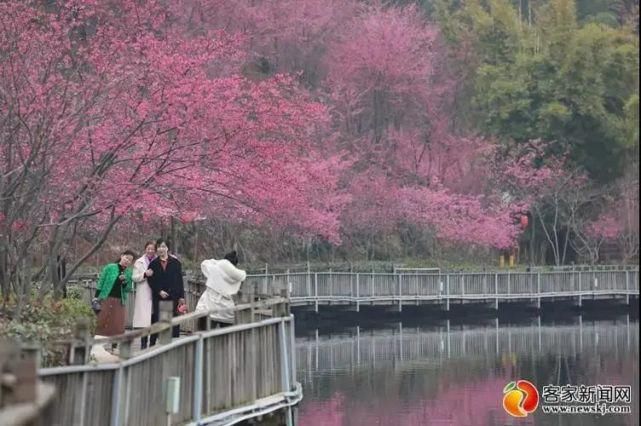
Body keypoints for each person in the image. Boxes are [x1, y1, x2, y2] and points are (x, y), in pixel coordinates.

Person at [90, 250, 136, 361]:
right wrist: (96, 297)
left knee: (117, 324)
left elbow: (128, 288)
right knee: (102, 321)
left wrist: (124, 282)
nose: (127, 261)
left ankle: (114, 348)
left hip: (119, 300)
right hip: (105, 298)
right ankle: (96, 346)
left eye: (130, 260)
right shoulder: (110, 267)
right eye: (126, 258)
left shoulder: (129, 272)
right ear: (121, 256)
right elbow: (101, 282)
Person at [147, 239, 185, 346]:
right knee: (159, 321)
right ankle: (154, 345)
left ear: (167, 248)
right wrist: (159, 291)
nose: (161, 249)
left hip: (173, 296)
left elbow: (179, 280)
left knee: (172, 322)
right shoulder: (153, 264)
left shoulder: (176, 263)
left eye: (163, 246)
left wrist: (181, 296)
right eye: (158, 247)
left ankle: (172, 346)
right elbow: (151, 281)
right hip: (159, 297)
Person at [195, 251, 246, 328]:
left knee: (206, 335)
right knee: (226, 337)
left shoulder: (214, 269)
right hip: (226, 311)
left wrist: (219, 262)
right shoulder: (236, 276)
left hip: (211, 307)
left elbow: (204, 263)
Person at [132, 241, 156, 349]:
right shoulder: (139, 262)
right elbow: (134, 277)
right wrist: (145, 274)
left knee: (154, 319)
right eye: (148, 248)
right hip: (144, 293)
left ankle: (152, 343)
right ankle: (143, 344)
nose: (150, 251)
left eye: (152, 249)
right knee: (144, 322)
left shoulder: (157, 261)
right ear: (145, 249)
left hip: (155, 293)